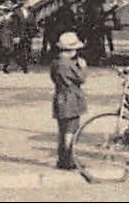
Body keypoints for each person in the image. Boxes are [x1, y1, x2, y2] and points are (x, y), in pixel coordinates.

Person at [50, 31, 88, 169]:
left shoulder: (56, 63)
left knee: (62, 130)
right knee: (71, 130)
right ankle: (69, 159)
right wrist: (83, 68)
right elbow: (81, 78)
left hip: (60, 97)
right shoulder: (68, 64)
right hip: (71, 98)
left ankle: (62, 159)